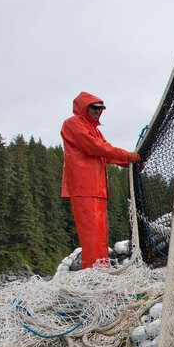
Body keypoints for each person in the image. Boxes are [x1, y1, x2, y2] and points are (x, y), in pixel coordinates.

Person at [61, 92, 140, 269]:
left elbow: (106, 154)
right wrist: (128, 156)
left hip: (98, 189)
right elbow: (95, 147)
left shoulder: (95, 130)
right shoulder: (72, 124)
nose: (98, 111)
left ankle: (101, 269)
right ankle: (93, 273)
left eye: (101, 109)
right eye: (94, 108)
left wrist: (130, 163)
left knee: (100, 234)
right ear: (84, 107)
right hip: (83, 187)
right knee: (91, 235)